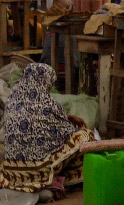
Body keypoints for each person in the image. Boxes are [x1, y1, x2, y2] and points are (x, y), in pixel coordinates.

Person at [0, 63, 93, 193]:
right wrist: (75, 127)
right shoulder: (49, 105)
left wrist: (65, 118)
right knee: (85, 135)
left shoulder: (11, 101)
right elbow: (66, 134)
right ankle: (68, 179)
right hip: (36, 171)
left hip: (11, 171)